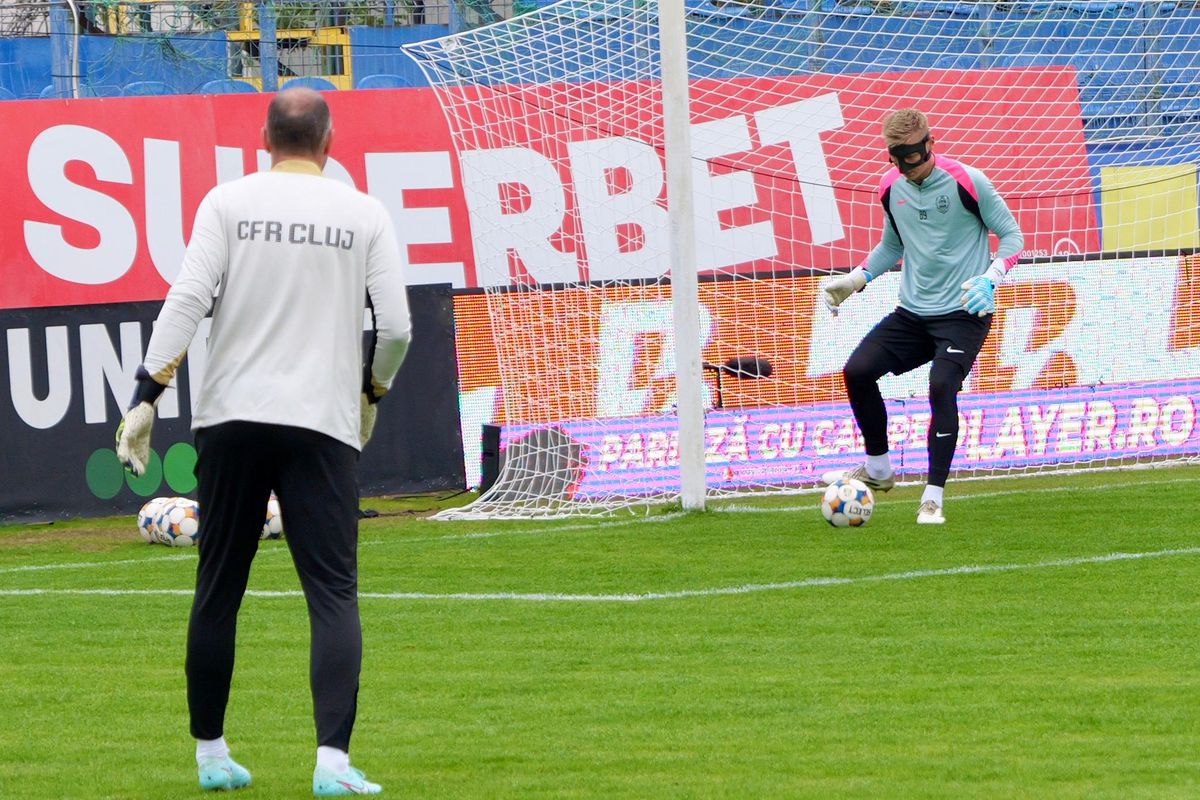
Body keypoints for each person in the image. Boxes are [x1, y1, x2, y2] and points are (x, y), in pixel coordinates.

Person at [116, 87, 412, 795]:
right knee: (333, 594)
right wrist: (372, 391)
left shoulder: (226, 202)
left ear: (265, 139)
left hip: (230, 419)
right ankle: (332, 766)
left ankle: (212, 757)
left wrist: (146, 394)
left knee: (217, 589)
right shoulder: (364, 212)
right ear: (329, 141)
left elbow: (185, 301)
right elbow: (396, 328)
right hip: (321, 422)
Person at [822, 108, 1023, 524]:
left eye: (919, 159)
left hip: (966, 310)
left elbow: (1013, 236)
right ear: (892, 158)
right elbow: (893, 246)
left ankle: (932, 497)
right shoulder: (889, 187)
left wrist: (991, 277)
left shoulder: (969, 180)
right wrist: (858, 278)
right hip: (913, 313)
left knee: (942, 384)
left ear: (931, 144)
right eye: (904, 163)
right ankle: (878, 470)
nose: (914, 170)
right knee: (857, 371)